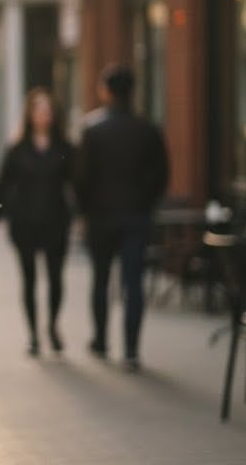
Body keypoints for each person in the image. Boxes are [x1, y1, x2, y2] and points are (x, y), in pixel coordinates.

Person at [74, 64, 169, 371]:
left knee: (101, 280)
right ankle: (131, 349)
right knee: (133, 284)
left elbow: (81, 178)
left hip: (101, 217)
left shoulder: (92, 129)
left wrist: (84, 211)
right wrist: (146, 203)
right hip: (136, 217)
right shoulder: (148, 130)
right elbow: (161, 176)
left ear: (106, 91)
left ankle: (101, 341)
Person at [0, 87, 75, 356]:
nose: (43, 114)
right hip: (24, 221)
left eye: (48, 110)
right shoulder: (17, 149)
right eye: (39, 109)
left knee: (56, 278)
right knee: (29, 279)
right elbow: (2, 184)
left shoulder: (65, 147)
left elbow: (78, 182)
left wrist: (82, 213)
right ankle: (34, 335)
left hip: (56, 220)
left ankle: (53, 326)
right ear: (30, 114)